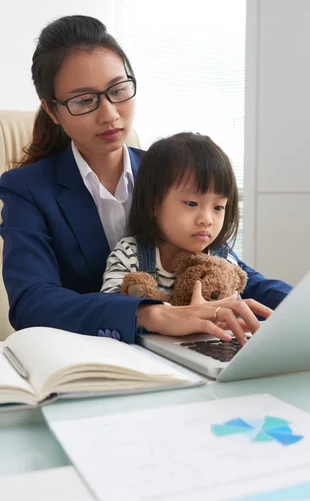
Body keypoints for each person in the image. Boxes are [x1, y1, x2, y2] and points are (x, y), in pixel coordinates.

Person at [0, 14, 291, 345]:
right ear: (52, 111)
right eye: (84, 100)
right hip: (90, 357)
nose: (110, 113)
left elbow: (225, 265)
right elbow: (32, 303)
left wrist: (307, 304)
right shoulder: (27, 188)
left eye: (119, 90)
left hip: (185, 348)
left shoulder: (167, 171)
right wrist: (152, 314)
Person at [101, 132, 292, 345]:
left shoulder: (222, 258)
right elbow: (110, 309)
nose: (206, 220)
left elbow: (233, 311)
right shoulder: (129, 254)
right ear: (152, 204)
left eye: (218, 207)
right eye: (191, 204)